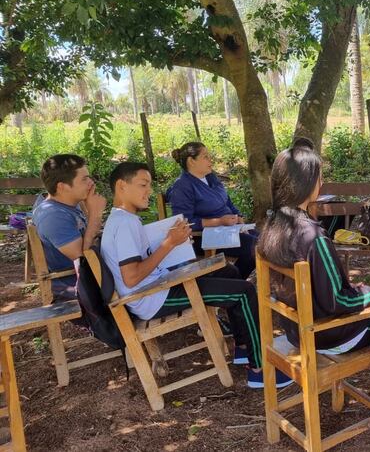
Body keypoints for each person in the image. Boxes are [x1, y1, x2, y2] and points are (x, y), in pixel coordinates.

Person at [258, 138, 370, 380]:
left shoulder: (272, 227)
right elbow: (339, 301)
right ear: (307, 183)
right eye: (319, 176)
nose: (321, 182)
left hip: (296, 330)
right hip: (328, 333)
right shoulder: (314, 237)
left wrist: (366, 289)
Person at [100, 162, 290, 389]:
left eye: (149, 185)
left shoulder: (124, 219)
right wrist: (169, 244)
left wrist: (172, 243)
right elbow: (131, 277)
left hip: (157, 286)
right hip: (151, 298)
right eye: (143, 185)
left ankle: (243, 345)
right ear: (121, 186)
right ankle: (260, 369)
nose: (148, 191)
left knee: (228, 271)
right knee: (245, 292)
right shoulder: (124, 224)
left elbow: (140, 263)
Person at [167, 142, 256, 279]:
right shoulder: (182, 186)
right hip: (204, 237)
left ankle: (234, 283)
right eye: (205, 157)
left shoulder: (211, 177)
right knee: (254, 247)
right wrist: (219, 221)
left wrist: (239, 217)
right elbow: (185, 222)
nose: (211, 160)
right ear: (191, 161)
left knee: (265, 240)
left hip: (229, 229)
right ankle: (233, 284)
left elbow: (227, 201)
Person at [32, 154, 107, 301]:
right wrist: (95, 215)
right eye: (84, 179)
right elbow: (83, 259)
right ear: (62, 187)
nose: (91, 182)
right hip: (79, 287)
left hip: (95, 275)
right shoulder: (53, 216)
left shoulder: (69, 204)